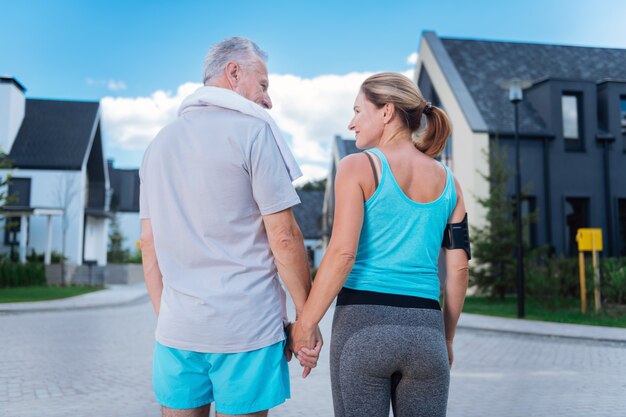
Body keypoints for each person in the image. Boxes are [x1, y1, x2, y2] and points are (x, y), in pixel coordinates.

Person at [140, 37, 321, 417]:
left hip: (177, 332)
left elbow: (149, 243)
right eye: (264, 85)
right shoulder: (254, 133)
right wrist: (306, 320)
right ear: (234, 73)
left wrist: (174, 321)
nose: (268, 100)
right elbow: (284, 236)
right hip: (246, 331)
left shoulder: (157, 146)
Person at [291, 72, 470, 417]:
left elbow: (343, 253)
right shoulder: (451, 183)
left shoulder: (357, 167)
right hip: (427, 335)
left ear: (386, 111)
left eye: (359, 111)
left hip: (362, 329)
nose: (352, 123)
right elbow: (459, 268)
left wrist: (305, 326)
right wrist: (445, 338)